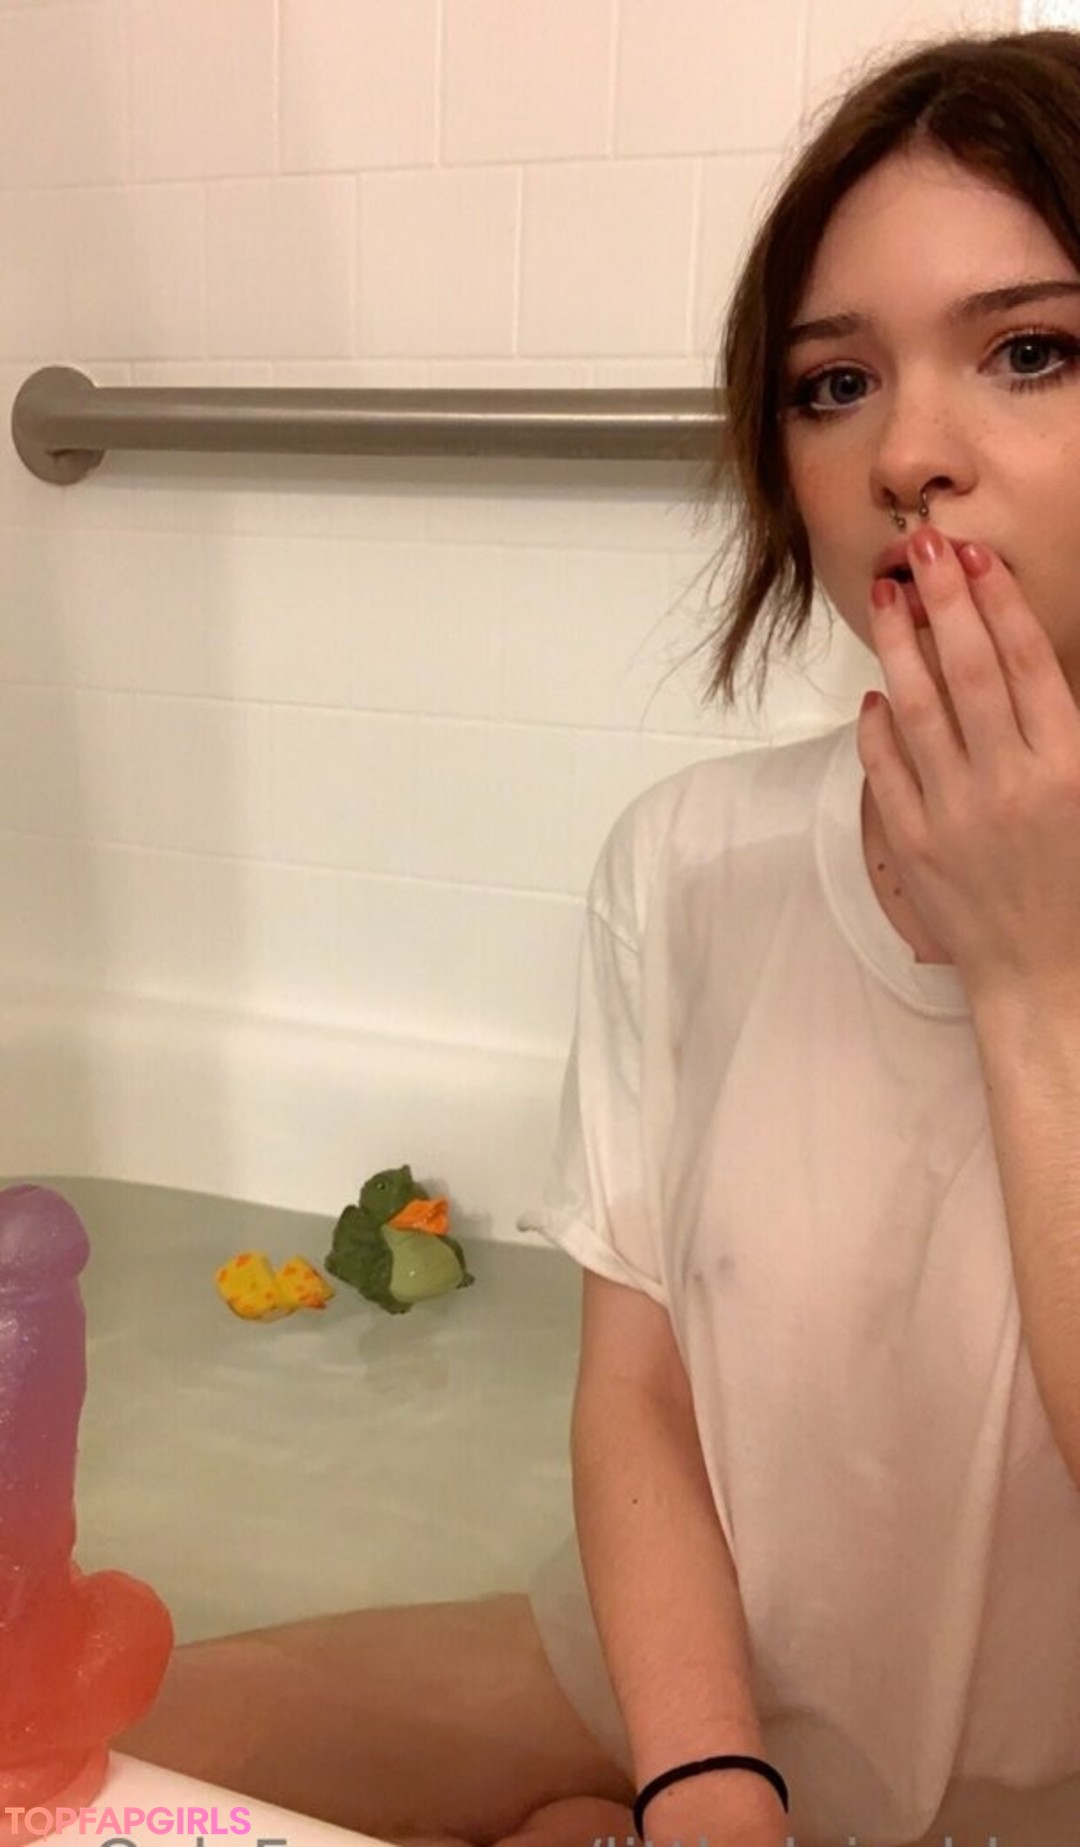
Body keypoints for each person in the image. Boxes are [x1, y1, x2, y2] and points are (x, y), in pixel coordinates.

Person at [116, 26, 1080, 1847]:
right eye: (835, 383)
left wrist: (1037, 979)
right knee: (83, 1748)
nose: (908, 455)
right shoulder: (693, 865)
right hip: (676, 1675)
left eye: (1030, 350)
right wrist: (702, 1774)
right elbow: (638, 1394)